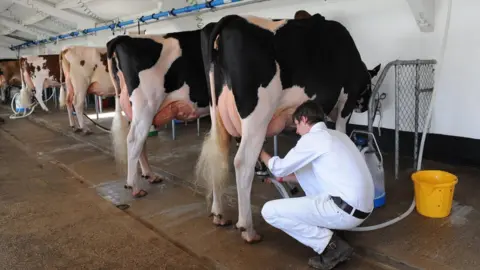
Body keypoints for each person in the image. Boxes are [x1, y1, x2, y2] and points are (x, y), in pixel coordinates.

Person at [259, 100, 374, 270]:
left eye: (297, 125)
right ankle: (335, 229)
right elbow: (313, 175)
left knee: (268, 211)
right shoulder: (337, 136)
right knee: (308, 168)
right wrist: (282, 179)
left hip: (345, 212)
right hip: (362, 208)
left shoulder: (313, 139)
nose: (297, 131)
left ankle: (330, 246)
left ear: (305, 119)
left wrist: (259, 152)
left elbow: (279, 167)